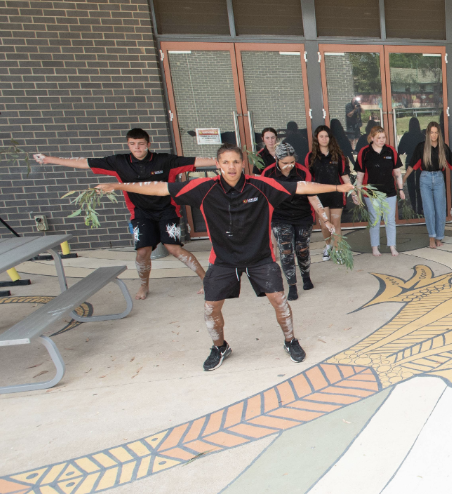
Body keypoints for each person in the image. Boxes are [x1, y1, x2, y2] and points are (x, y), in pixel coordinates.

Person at [95, 143, 353, 371]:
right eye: (226, 162)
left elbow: (301, 186)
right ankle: (220, 347)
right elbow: (161, 188)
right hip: (223, 259)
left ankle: (290, 341)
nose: (231, 167)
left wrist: (338, 186)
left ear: (243, 164)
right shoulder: (202, 188)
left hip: (260, 256)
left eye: (236, 161)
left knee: (279, 300)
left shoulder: (261, 185)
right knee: (211, 308)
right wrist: (117, 184)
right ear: (217, 165)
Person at [33, 128, 215, 300]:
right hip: (140, 212)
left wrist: (225, 161)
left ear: (148, 144)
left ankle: (206, 280)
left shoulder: (164, 160)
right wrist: (49, 159)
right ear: (128, 145)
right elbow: (84, 163)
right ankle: (144, 285)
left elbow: (196, 161)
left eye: (141, 143)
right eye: (133, 143)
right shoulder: (118, 162)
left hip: (167, 210)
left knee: (173, 248)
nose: (137, 147)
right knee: (142, 252)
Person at [261, 143, 328, 301]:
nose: (289, 166)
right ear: (277, 159)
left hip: (302, 215)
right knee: (286, 252)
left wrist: (324, 217)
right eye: (285, 163)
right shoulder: (268, 173)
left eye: (292, 162)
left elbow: (312, 195)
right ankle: (292, 285)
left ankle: (306, 276)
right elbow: (263, 197)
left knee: (302, 249)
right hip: (280, 217)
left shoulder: (302, 171)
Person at [405, 121, 452, 249]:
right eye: (432, 133)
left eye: (436, 133)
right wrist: (403, 178)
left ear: (439, 134)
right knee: (429, 210)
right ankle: (432, 236)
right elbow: (412, 164)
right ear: (427, 133)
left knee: (440, 210)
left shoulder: (443, 147)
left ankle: (439, 237)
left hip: (438, 179)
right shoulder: (421, 147)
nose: (434, 135)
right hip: (425, 178)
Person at [305, 125, 354, 262]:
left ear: (330, 138)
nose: (324, 139)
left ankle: (338, 250)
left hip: (336, 193)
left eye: (326, 136)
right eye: (321, 136)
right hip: (320, 195)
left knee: (336, 223)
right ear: (317, 138)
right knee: (325, 224)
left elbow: (344, 175)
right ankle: (328, 246)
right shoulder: (311, 157)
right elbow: (309, 178)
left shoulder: (338, 155)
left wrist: (353, 191)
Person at [355, 125, 405, 257]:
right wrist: (358, 193)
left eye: (383, 138)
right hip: (371, 193)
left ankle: (392, 246)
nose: (382, 140)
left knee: (390, 220)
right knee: (375, 220)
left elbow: (398, 173)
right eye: (378, 138)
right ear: (372, 138)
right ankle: (375, 247)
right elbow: (359, 175)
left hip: (389, 190)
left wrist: (401, 189)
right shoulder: (364, 152)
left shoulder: (390, 151)